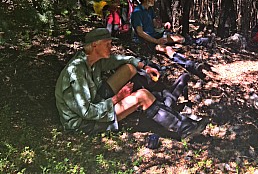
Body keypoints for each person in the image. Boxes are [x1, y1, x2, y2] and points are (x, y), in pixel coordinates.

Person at [55, 28, 209, 139]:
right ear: (95, 45)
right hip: (84, 123)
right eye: (107, 44)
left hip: (96, 102)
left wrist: (145, 67)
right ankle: (184, 128)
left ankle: (157, 104)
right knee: (142, 96)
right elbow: (87, 112)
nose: (111, 47)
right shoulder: (76, 71)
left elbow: (125, 60)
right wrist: (117, 98)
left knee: (129, 68)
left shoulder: (92, 60)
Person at [131, 0, 209, 79]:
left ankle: (199, 41)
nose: (153, 0)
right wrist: (156, 41)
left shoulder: (150, 9)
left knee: (179, 38)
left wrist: (164, 24)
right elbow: (140, 33)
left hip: (155, 35)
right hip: (146, 41)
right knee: (167, 49)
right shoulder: (137, 12)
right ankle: (190, 65)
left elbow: (154, 24)